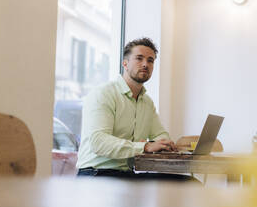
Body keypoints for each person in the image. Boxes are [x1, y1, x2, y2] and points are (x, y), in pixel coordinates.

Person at [76, 37, 195, 182]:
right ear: (125, 63)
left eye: (150, 60)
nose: (145, 64)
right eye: (139, 58)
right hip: (96, 174)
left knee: (189, 183)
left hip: (126, 175)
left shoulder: (146, 102)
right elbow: (98, 142)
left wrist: (165, 144)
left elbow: (160, 134)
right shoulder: (104, 93)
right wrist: (145, 146)